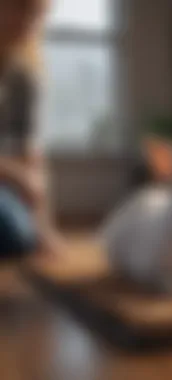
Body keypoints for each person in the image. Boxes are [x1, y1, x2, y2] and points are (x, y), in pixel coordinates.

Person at [0, 0, 62, 259]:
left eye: (37, 15)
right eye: (20, 8)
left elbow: (32, 157)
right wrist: (15, 174)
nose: (28, 21)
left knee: (19, 234)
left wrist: (44, 227)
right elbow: (22, 174)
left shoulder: (28, 77)